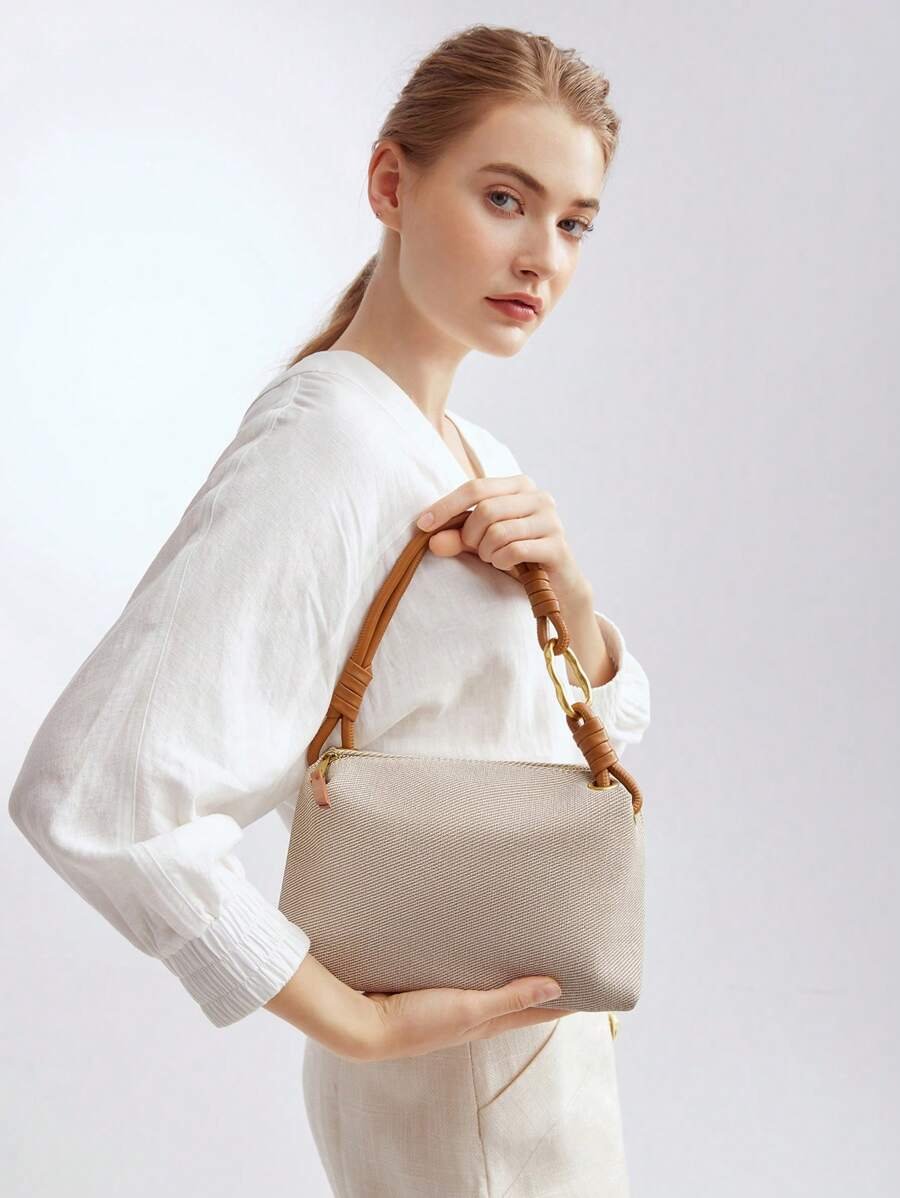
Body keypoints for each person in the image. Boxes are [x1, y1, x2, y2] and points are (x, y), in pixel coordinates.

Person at [8, 22, 651, 1197]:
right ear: (391, 184)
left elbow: (548, 751)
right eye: (505, 198)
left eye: (574, 223)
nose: (542, 258)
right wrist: (353, 1019)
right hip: (464, 1098)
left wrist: (574, 600)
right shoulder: (330, 444)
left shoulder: (468, 451)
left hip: (533, 1068)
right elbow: (96, 793)